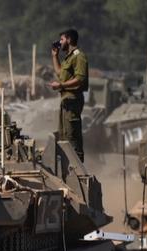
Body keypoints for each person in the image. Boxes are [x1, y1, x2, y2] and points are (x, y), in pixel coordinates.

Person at [50, 28, 88, 162]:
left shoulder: (79, 56)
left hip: (73, 99)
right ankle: (68, 165)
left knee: (72, 135)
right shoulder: (69, 58)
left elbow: (80, 79)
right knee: (64, 134)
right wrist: (55, 55)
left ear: (69, 39)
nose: (60, 42)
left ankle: (77, 168)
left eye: (62, 39)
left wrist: (61, 85)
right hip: (66, 100)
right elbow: (61, 73)